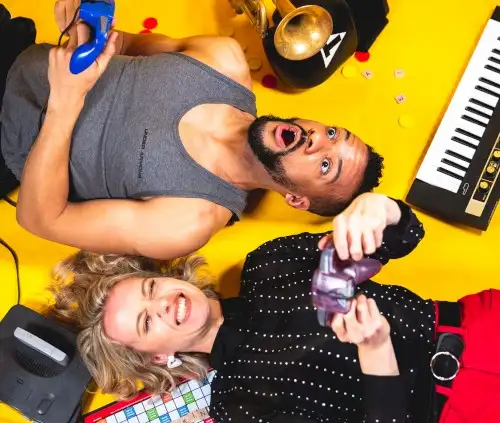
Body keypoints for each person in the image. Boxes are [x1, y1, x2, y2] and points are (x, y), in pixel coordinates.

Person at [45, 190, 500, 423]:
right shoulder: (238, 404)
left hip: (479, 323)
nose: (162, 304)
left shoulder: (269, 267)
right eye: (147, 323)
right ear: (158, 358)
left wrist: (379, 210)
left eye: (150, 288)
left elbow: (402, 237)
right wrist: (375, 351)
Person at [0, 1, 384, 260]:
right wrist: (84, 29)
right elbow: (127, 44)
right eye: (332, 134)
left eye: (325, 166)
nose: (318, 142)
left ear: (296, 199)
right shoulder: (223, 60)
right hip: (15, 48)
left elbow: (41, 218)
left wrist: (64, 105)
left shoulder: (187, 222)